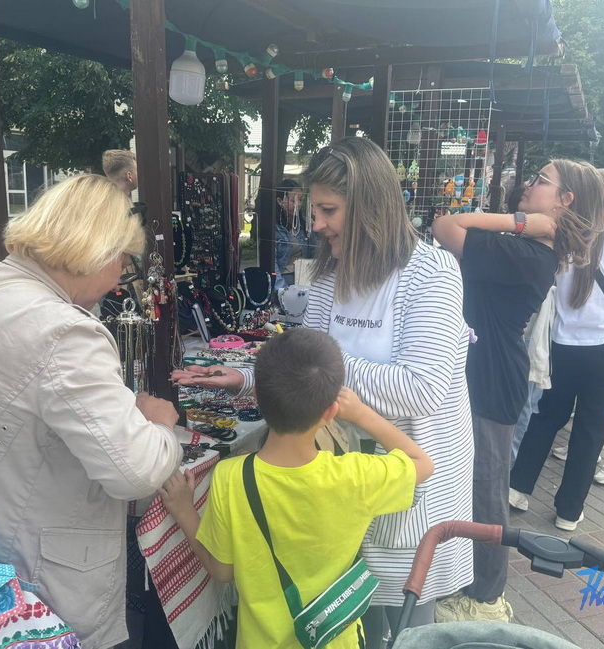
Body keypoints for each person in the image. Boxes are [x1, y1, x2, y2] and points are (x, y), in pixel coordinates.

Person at [173, 137, 475, 647]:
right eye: (314, 209)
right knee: (346, 615)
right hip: (340, 478)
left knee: (404, 621)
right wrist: (247, 376)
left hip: (404, 480)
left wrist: (331, 367)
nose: (316, 224)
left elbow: (422, 390)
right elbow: (304, 361)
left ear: (370, 206)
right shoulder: (333, 275)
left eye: (328, 210)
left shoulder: (431, 273)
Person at [0, 175, 182, 649]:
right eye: (123, 263)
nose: (118, 280)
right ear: (97, 250)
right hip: (36, 581)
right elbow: (136, 471)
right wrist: (160, 424)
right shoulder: (65, 332)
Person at [163, 329, 433, 648]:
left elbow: (222, 571)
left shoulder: (231, 477)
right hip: (336, 640)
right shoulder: (356, 475)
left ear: (257, 398)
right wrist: (361, 413)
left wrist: (183, 510)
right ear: (330, 411)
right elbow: (422, 463)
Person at [431, 159, 602, 623]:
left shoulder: (529, 253)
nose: (529, 185)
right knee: (470, 484)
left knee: (486, 490)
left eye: (541, 182)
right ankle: (466, 583)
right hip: (482, 371)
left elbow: (446, 226)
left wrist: (525, 221)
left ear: (564, 202)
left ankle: (485, 598)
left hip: (492, 377)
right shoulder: (525, 249)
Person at [510, 171, 604, 531]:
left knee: (547, 417)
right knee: (591, 429)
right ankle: (568, 510)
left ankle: (517, 488)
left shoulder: (560, 238)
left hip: (560, 345)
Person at [274, 179, 307, 290]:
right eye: (294, 201)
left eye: (301, 200)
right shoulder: (275, 228)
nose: (299, 204)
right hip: (285, 278)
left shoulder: (304, 225)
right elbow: (273, 264)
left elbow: (312, 254)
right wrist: (282, 289)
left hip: (305, 277)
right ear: (280, 201)